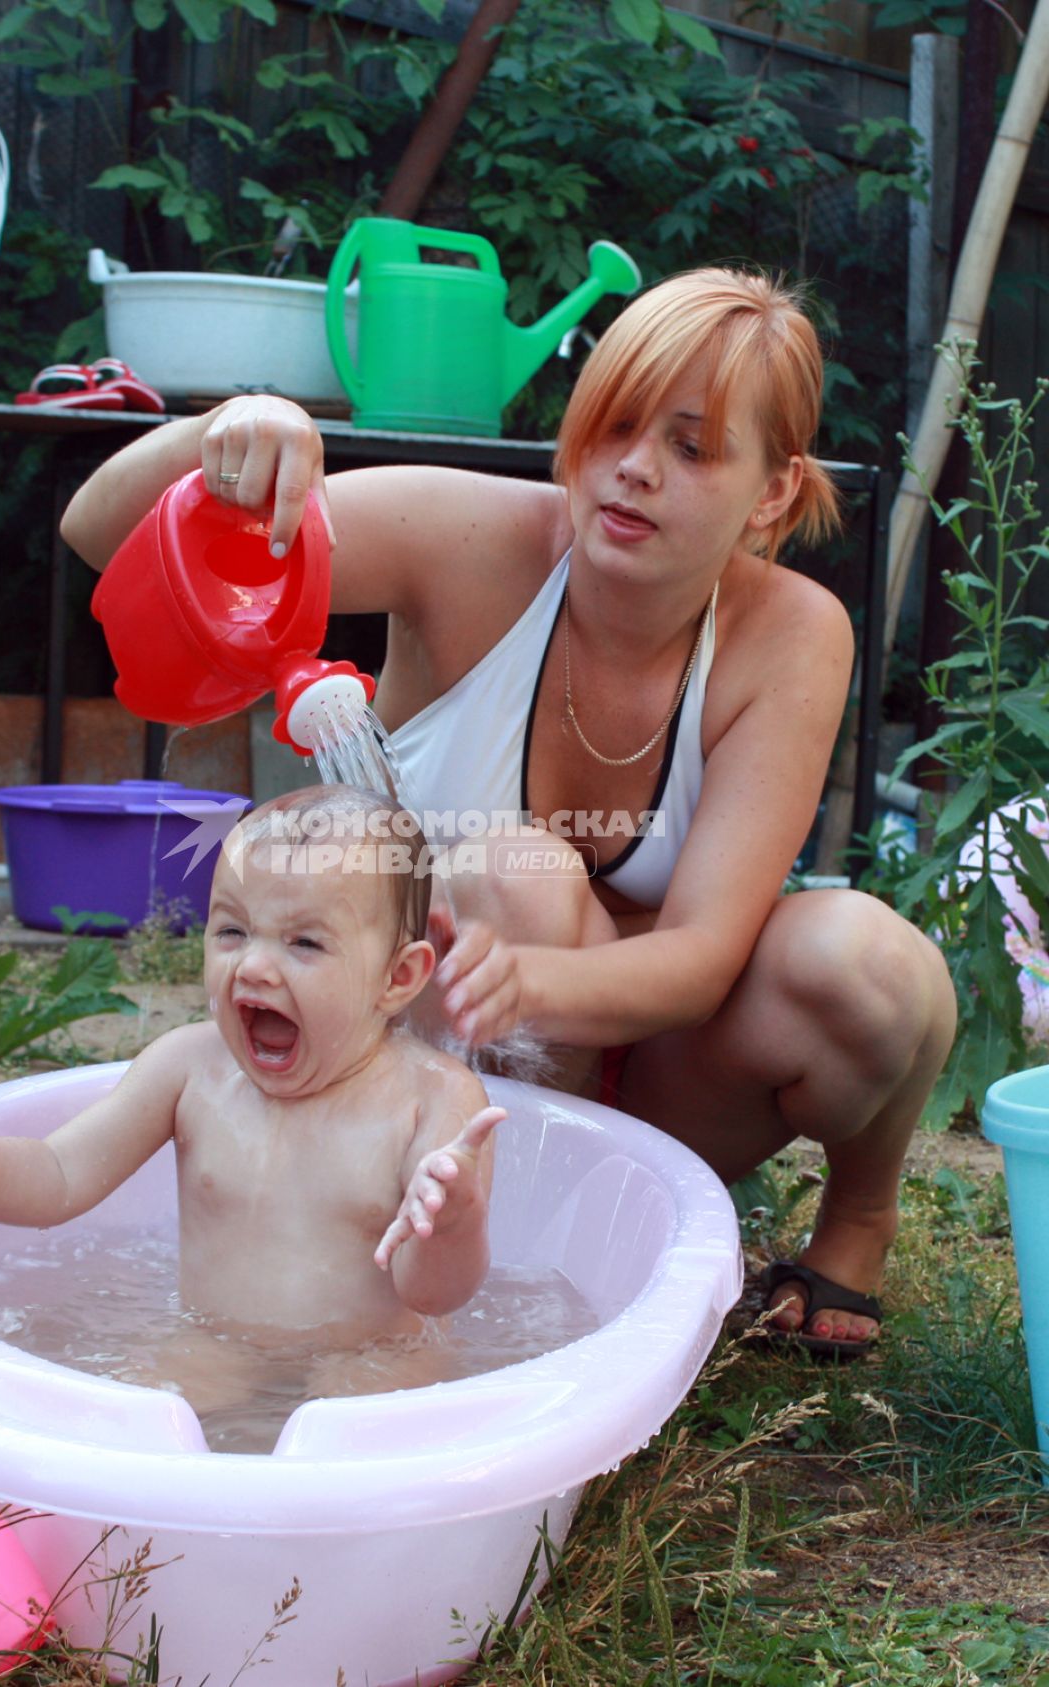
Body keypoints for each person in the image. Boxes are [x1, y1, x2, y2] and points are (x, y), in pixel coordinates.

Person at [61, 265, 957, 1359]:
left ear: (769, 491)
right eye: (613, 425)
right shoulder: (466, 538)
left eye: (689, 447)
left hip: (660, 1081)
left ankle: (856, 1220)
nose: (630, 471)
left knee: (871, 964)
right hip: (409, 1078)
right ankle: (486, 1246)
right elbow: (101, 532)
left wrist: (531, 983)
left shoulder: (790, 636)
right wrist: (221, 435)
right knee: (508, 873)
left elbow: (707, 955)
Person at [0, 787, 506, 1414]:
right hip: (215, 1339)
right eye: (232, 930)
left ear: (399, 975)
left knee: (362, 1434)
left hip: (375, 1356)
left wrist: (449, 1223)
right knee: (132, 1410)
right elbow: (60, 1173)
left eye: (304, 942)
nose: (255, 965)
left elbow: (434, 1293)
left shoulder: (433, 1100)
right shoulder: (189, 1070)